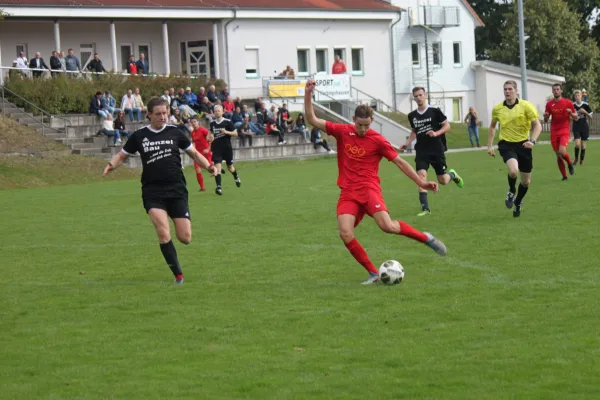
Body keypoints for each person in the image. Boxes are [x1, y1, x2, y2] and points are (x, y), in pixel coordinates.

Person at [303, 78, 446, 285]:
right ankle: (373, 273)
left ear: (372, 122)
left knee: (387, 227)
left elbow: (400, 162)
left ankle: (425, 238)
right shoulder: (343, 131)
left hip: (369, 189)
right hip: (348, 192)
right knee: (345, 232)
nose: (362, 130)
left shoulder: (377, 140)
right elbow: (312, 119)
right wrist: (308, 95)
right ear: (353, 119)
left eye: (366, 126)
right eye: (360, 125)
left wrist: (421, 183)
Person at [102, 97, 217, 284]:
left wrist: (210, 167)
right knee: (163, 233)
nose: (163, 117)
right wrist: (110, 165)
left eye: (165, 113)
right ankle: (178, 275)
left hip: (177, 190)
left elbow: (194, 153)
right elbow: (122, 155)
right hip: (153, 191)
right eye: (158, 114)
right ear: (149, 114)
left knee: (185, 238)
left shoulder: (175, 132)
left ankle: (176, 218)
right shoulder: (139, 136)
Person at [400, 87, 463, 216]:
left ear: (425, 95)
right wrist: (406, 143)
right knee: (421, 176)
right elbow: (414, 131)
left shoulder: (435, 112)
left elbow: (447, 126)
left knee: (443, 180)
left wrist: (436, 133)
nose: (418, 98)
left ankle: (452, 175)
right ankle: (425, 208)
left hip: (436, 149)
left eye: (420, 95)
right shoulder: (412, 115)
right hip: (422, 150)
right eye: (416, 96)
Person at [487, 80, 542, 218]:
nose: (507, 92)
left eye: (510, 89)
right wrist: (489, 145)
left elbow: (537, 126)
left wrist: (532, 141)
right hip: (506, 144)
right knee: (513, 171)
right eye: (505, 89)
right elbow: (493, 126)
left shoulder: (526, 106)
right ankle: (511, 190)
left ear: (516, 91)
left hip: (524, 144)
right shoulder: (498, 108)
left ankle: (518, 201)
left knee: (526, 182)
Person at [544, 83, 577, 180]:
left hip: (564, 130)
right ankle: (564, 176)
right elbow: (546, 119)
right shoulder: (549, 104)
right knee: (558, 155)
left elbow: (576, 117)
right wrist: (546, 116)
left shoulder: (567, 103)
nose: (556, 91)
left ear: (561, 90)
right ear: (552, 91)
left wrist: (571, 113)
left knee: (562, 152)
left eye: (558, 89)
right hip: (554, 131)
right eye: (554, 89)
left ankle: (570, 163)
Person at [209, 105, 242, 195]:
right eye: (215, 111)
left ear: (223, 112)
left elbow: (235, 133)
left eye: (218, 111)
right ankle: (219, 187)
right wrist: (210, 137)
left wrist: (226, 132)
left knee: (230, 167)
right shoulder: (212, 123)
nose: (217, 112)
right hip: (217, 148)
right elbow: (210, 134)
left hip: (227, 148)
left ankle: (236, 176)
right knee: (217, 168)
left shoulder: (227, 122)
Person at [190, 117, 213, 192]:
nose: (193, 123)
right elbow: (194, 142)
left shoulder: (203, 130)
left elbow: (211, 138)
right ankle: (202, 187)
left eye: (194, 121)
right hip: (198, 154)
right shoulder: (192, 132)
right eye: (192, 122)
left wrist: (208, 149)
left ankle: (218, 168)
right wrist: (193, 148)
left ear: (198, 122)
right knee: (197, 170)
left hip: (206, 152)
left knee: (210, 169)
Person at [571, 90, 592, 166]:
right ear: (574, 97)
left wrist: (585, 112)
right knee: (577, 144)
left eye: (578, 95)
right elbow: (570, 115)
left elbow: (591, 117)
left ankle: (581, 160)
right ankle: (576, 159)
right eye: (576, 96)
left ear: (581, 96)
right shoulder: (572, 105)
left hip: (584, 126)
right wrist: (573, 115)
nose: (577, 97)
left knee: (583, 145)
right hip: (576, 126)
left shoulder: (586, 105)